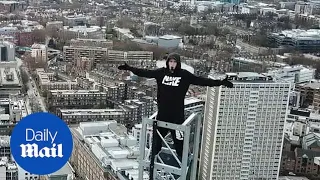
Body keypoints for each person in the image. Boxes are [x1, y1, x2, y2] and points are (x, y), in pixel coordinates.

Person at [118, 53, 233, 160]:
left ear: (178, 63)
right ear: (167, 62)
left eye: (174, 62)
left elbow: (201, 81)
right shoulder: (161, 73)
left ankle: (183, 165)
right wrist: (130, 68)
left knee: (180, 145)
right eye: (170, 62)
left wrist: (220, 82)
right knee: (156, 143)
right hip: (163, 114)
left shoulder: (184, 75)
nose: (172, 64)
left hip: (177, 116)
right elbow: (145, 72)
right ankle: (151, 163)